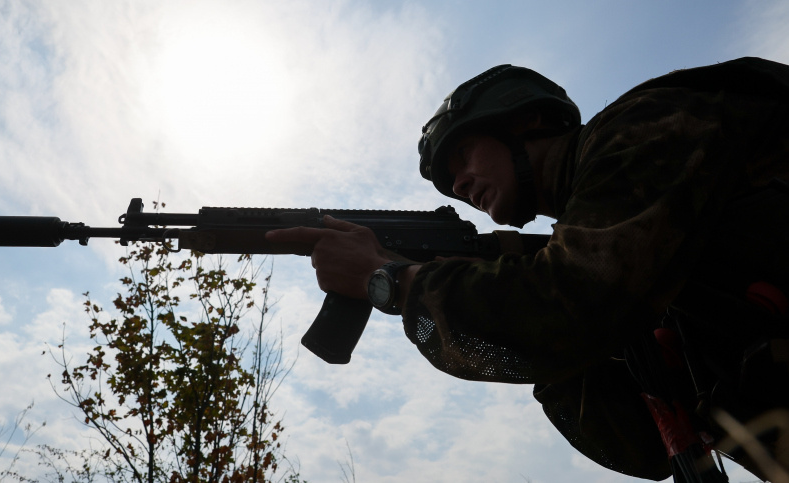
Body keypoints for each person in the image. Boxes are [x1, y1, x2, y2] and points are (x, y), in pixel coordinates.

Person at [266, 57, 789, 481]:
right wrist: (516, 320)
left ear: (525, 121)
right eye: (451, 183)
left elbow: (569, 302)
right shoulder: (635, 267)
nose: (460, 185)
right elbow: (642, 448)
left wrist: (391, 281)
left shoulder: (643, 128)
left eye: (463, 155)